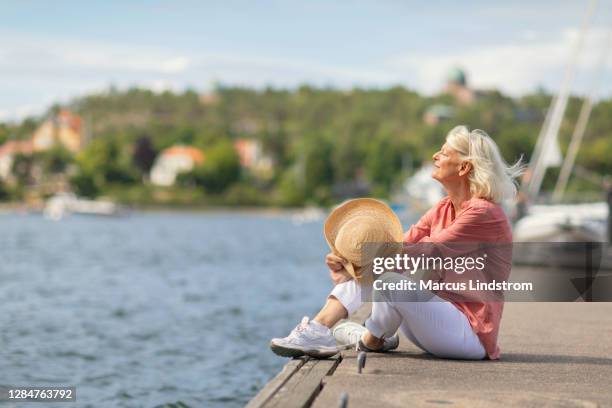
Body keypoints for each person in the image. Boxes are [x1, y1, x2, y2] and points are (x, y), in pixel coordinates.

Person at [270, 125, 523, 360]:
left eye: (444, 152)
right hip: (432, 321)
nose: (435, 156)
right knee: (376, 269)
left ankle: (370, 338)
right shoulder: (443, 207)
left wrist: (365, 263)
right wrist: (350, 265)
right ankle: (319, 329)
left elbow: (428, 251)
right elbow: (401, 243)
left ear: (464, 168)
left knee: (387, 276)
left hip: (469, 333)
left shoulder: (483, 213)